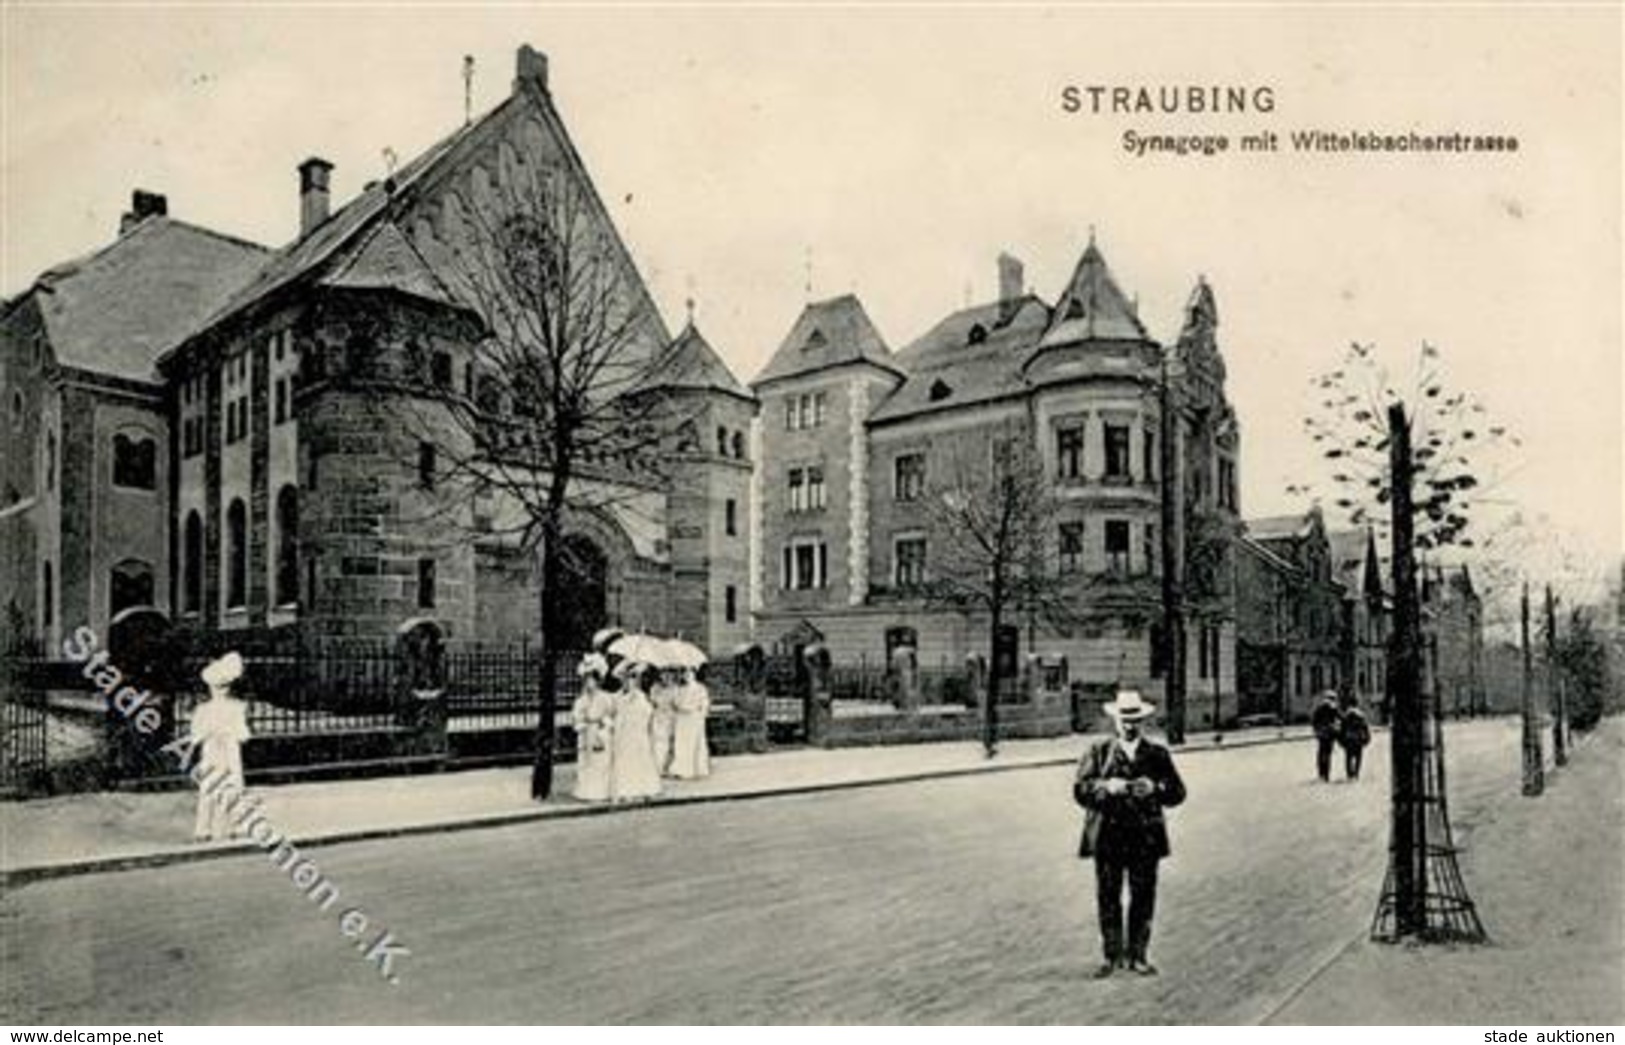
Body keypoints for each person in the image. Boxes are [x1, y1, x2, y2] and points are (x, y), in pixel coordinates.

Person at [1073, 689, 1186, 978]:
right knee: (1108, 897)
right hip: (1108, 838)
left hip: (1144, 838)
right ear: (1116, 721)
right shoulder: (1098, 752)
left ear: (1143, 721)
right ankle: (1112, 957)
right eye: (1125, 719)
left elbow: (1178, 792)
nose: (1130, 725)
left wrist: (1155, 788)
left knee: (1143, 897)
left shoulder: (1157, 754)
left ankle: (1138, 955)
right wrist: (1105, 787)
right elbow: (1080, 790)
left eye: (1135, 719)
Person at [190, 651, 251, 842]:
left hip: (230, 749)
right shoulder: (203, 709)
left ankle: (236, 824)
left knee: (234, 786)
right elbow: (195, 735)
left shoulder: (238, 707)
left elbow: (243, 733)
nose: (220, 691)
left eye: (224, 687)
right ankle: (203, 829)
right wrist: (209, 733)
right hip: (212, 749)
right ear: (210, 688)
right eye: (217, 687)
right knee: (209, 787)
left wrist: (230, 733)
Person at [608, 661, 662, 802]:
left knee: (640, 760)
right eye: (625, 678)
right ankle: (625, 790)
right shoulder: (616, 697)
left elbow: (647, 714)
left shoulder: (641, 697)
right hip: (622, 734)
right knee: (623, 761)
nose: (628, 682)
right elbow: (610, 713)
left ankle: (643, 789)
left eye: (632, 678)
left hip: (637, 734)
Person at [570, 653, 616, 802]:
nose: (588, 683)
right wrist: (581, 725)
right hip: (586, 732)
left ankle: (600, 791)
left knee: (600, 762)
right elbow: (577, 717)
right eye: (585, 680)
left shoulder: (606, 698)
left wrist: (604, 726)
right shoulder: (581, 700)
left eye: (591, 680)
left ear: (597, 681)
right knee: (585, 762)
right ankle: (585, 791)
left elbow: (611, 715)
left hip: (600, 732)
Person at [668, 666, 711, 780]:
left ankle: (696, 768)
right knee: (681, 743)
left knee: (695, 743)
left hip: (694, 718)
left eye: (689, 673)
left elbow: (704, 704)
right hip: (682, 719)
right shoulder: (680, 689)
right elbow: (675, 703)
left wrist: (700, 714)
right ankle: (682, 769)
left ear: (694, 674)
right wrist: (679, 705)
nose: (686, 676)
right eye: (684, 674)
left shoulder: (700, 688)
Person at [649, 667, 679, 777]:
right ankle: (658, 767)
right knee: (659, 742)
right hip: (658, 717)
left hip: (671, 717)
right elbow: (653, 702)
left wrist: (672, 706)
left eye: (669, 675)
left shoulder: (675, 688)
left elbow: (676, 703)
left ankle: (668, 766)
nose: (666, 677)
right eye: (663, 674)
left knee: (671, 742)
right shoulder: (655, 688)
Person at [1338, 694, 1371, 782]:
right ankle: (1356, 773)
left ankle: (1349, 774)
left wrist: (1341, 740)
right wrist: (1367, 738)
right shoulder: (1361, 715)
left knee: (1348, 757)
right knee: (1358, 757)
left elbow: (1342, 729)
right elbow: (1365, 727)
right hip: (1358, 738)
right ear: (1357, 703)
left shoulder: (1346, 715)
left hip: (1349, 738)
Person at [1311, 690, 1342, 783]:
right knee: (1328, 754)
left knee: (1321, 753)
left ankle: (1321, 773)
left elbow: (1314, 720)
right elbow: (1340, 718)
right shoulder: (1334, 707)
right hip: (1330, 733)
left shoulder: (1319, 707)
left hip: (1321, 733)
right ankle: (1326, 775)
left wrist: (1316, 730)